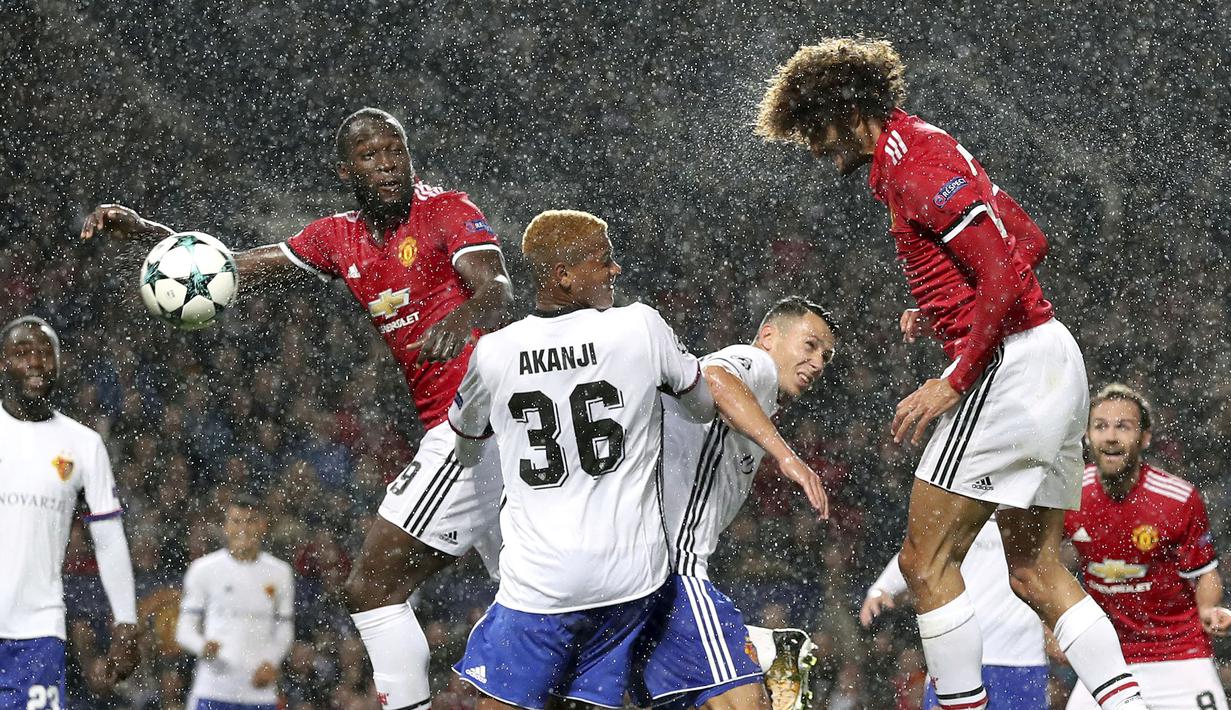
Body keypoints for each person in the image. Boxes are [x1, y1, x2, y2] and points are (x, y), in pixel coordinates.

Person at [756, 38, 1149, 710]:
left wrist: (957, 373)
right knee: (1034, 571)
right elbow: (1027, 240)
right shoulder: (926, 146)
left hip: (1009, 365)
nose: (815, 150)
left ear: (848, 111)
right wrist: (945, 307)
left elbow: (1002, 270)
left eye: (814, 132)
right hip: (1052, 359)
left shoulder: (914, 168)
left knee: (925, 562)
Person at [81, 107, 514, 710]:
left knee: (371, 588)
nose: (387, 164)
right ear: (347, 171)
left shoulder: (446, 210)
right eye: (370, 156)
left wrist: (464, 316)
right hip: (493, 435)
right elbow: (232, 267)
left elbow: (497, 288)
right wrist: (148, 234)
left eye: (395, 150)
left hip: (474, 423)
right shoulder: (337, 238)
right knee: (527, 593)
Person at [447, 209, 717, 709]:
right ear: (563, 275)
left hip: (542, 583)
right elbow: (702, 408)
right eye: (603, 260)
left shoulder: (494, 352)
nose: (616, 269)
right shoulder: (640, 326)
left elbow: (465, 448)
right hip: (631, 580)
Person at [643, 296, 836, 710]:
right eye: (810, 345)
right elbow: (714, 377)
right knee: (747, 702)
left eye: (826, 355)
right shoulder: (758, 365)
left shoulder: (760, 403)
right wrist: (787, 456)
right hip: (675, 570)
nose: (819, 362)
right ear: (768, 337)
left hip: (642, 570)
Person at [0, 316, 140, 708]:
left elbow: (108, 539)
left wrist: (126, 622)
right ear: (2, 362)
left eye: (45, 353)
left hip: (37, 632)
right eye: (22, 352)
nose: (35, 362)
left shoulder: (83, 444)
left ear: (59, 363)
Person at [1064, 384, 1230, 710]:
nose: (1111, 436)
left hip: (1179, 657)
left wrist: (1209, 610)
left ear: (1145, 438)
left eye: (1123, 426)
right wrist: (1051, 628)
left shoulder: (1177, 499)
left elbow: (1205, 574)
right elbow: (1042, 565)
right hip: (1105, 660)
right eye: (1101, 426)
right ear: (1087, 436)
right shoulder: (1069, 494)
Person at [861, 518, 1049, 709]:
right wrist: (883, 587)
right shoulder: (962, 510)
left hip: (1022, 657)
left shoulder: (1033, 511)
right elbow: (923, 549)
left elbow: (1056, 561)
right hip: (956, 657)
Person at [176, 494, 295, 710]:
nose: (244, 528)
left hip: (259, 693)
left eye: (251, 521)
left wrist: (272, 662)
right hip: (213, 689)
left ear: (263, 526)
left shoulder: (280, 573)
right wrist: (203, 647)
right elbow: (184, 630)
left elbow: (284, 628)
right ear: (225, 527)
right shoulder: (203, 570)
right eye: (237, 521)